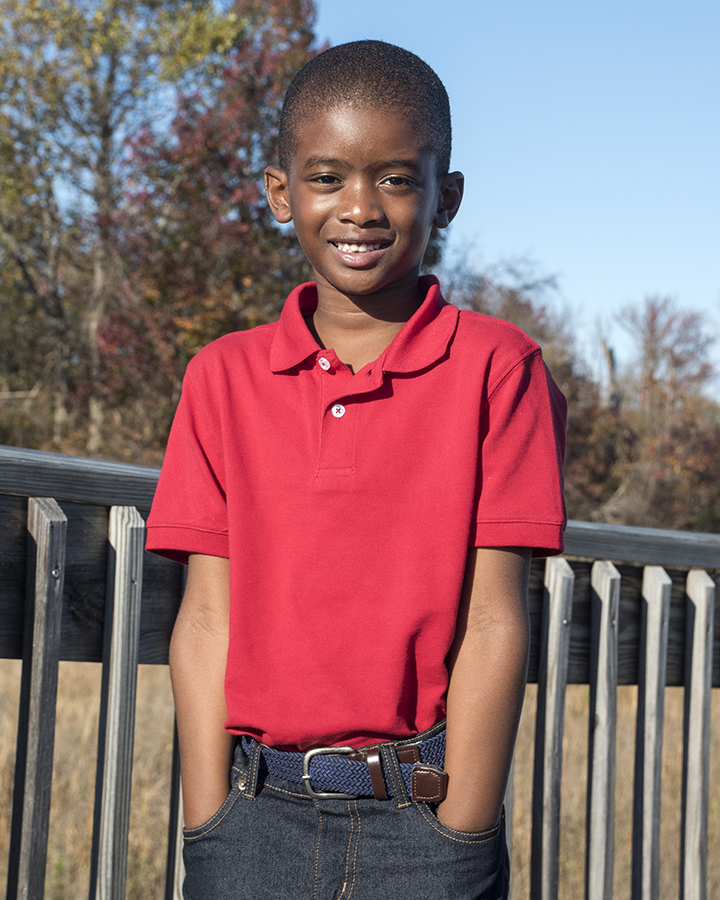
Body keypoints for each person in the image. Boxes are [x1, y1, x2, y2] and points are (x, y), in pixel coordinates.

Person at [146, 39, 566, 900]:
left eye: (398, 178)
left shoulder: (500, 368)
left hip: (426, 818)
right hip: (253, 819)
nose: (361, 207)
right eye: (329, 176)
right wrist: (209, 821)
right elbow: (204, 622)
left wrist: (464, 832)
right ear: (280, 193)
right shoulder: (221, 378)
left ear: (445, 196)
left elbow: (493, 622)